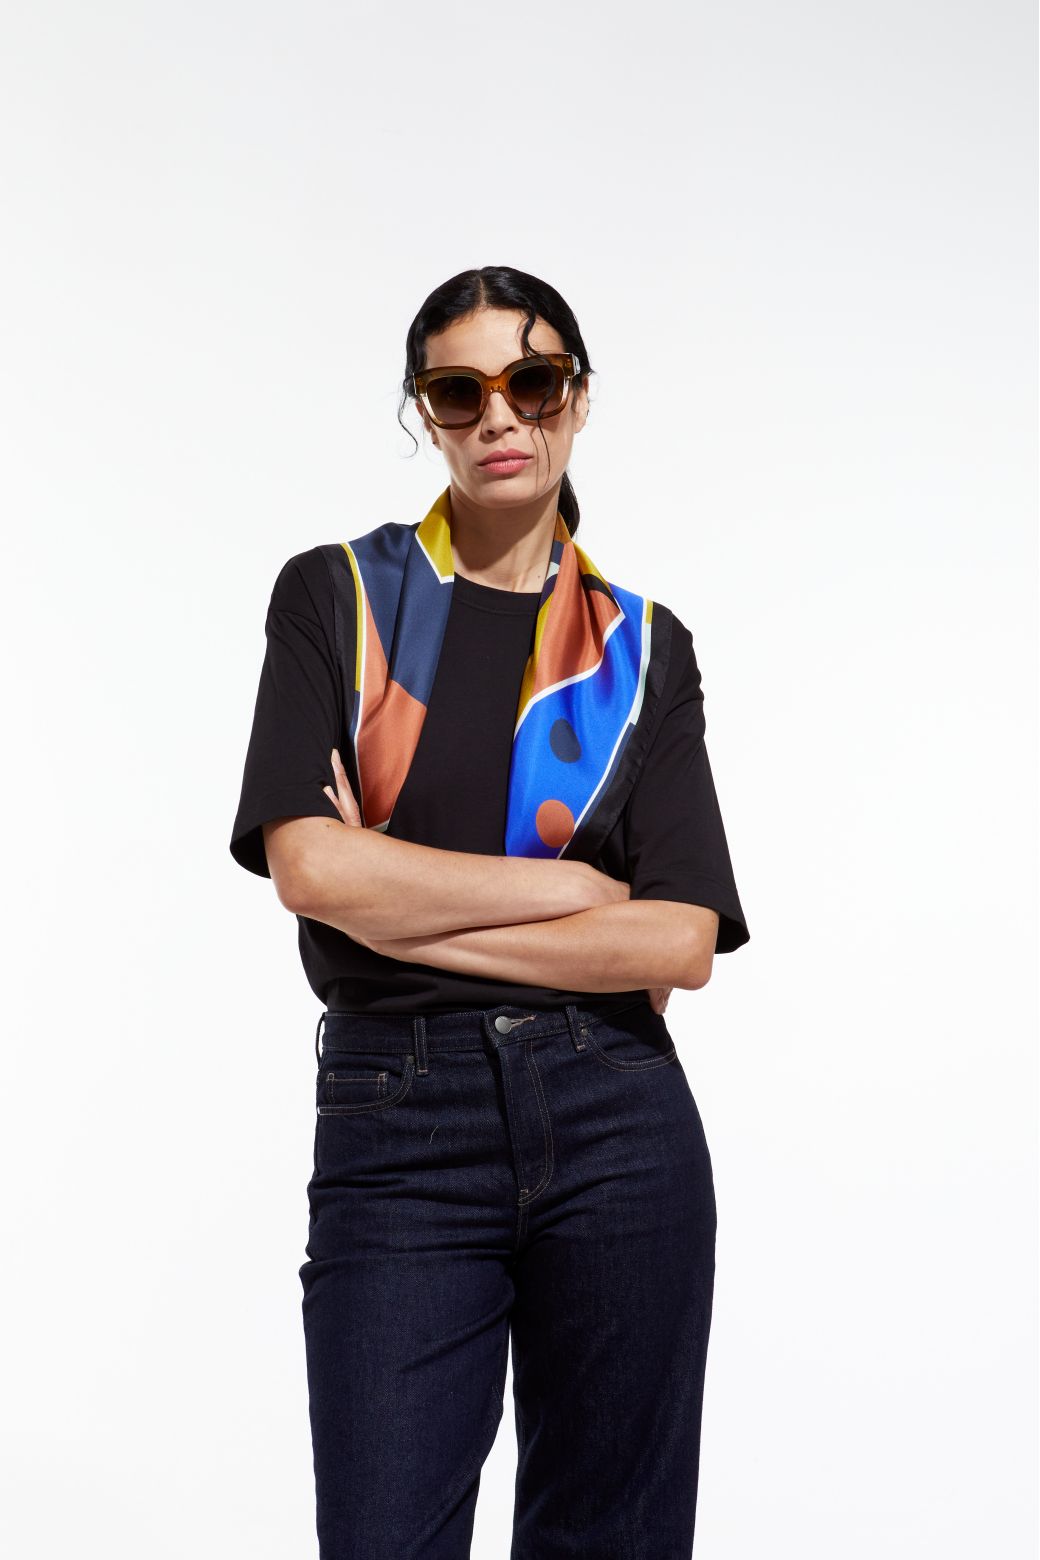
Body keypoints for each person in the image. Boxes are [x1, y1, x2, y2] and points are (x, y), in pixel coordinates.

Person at [229, 265, 750, 1560]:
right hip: (399, 1122)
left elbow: (678, 941)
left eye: (534, 381)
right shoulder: (339, 598)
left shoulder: (642, 650)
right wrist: (570, 891)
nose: (500, 415)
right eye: (460, 391)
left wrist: (392, 901)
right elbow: (311, 872)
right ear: (426, 411)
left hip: (617, 1112)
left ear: (579, 397)